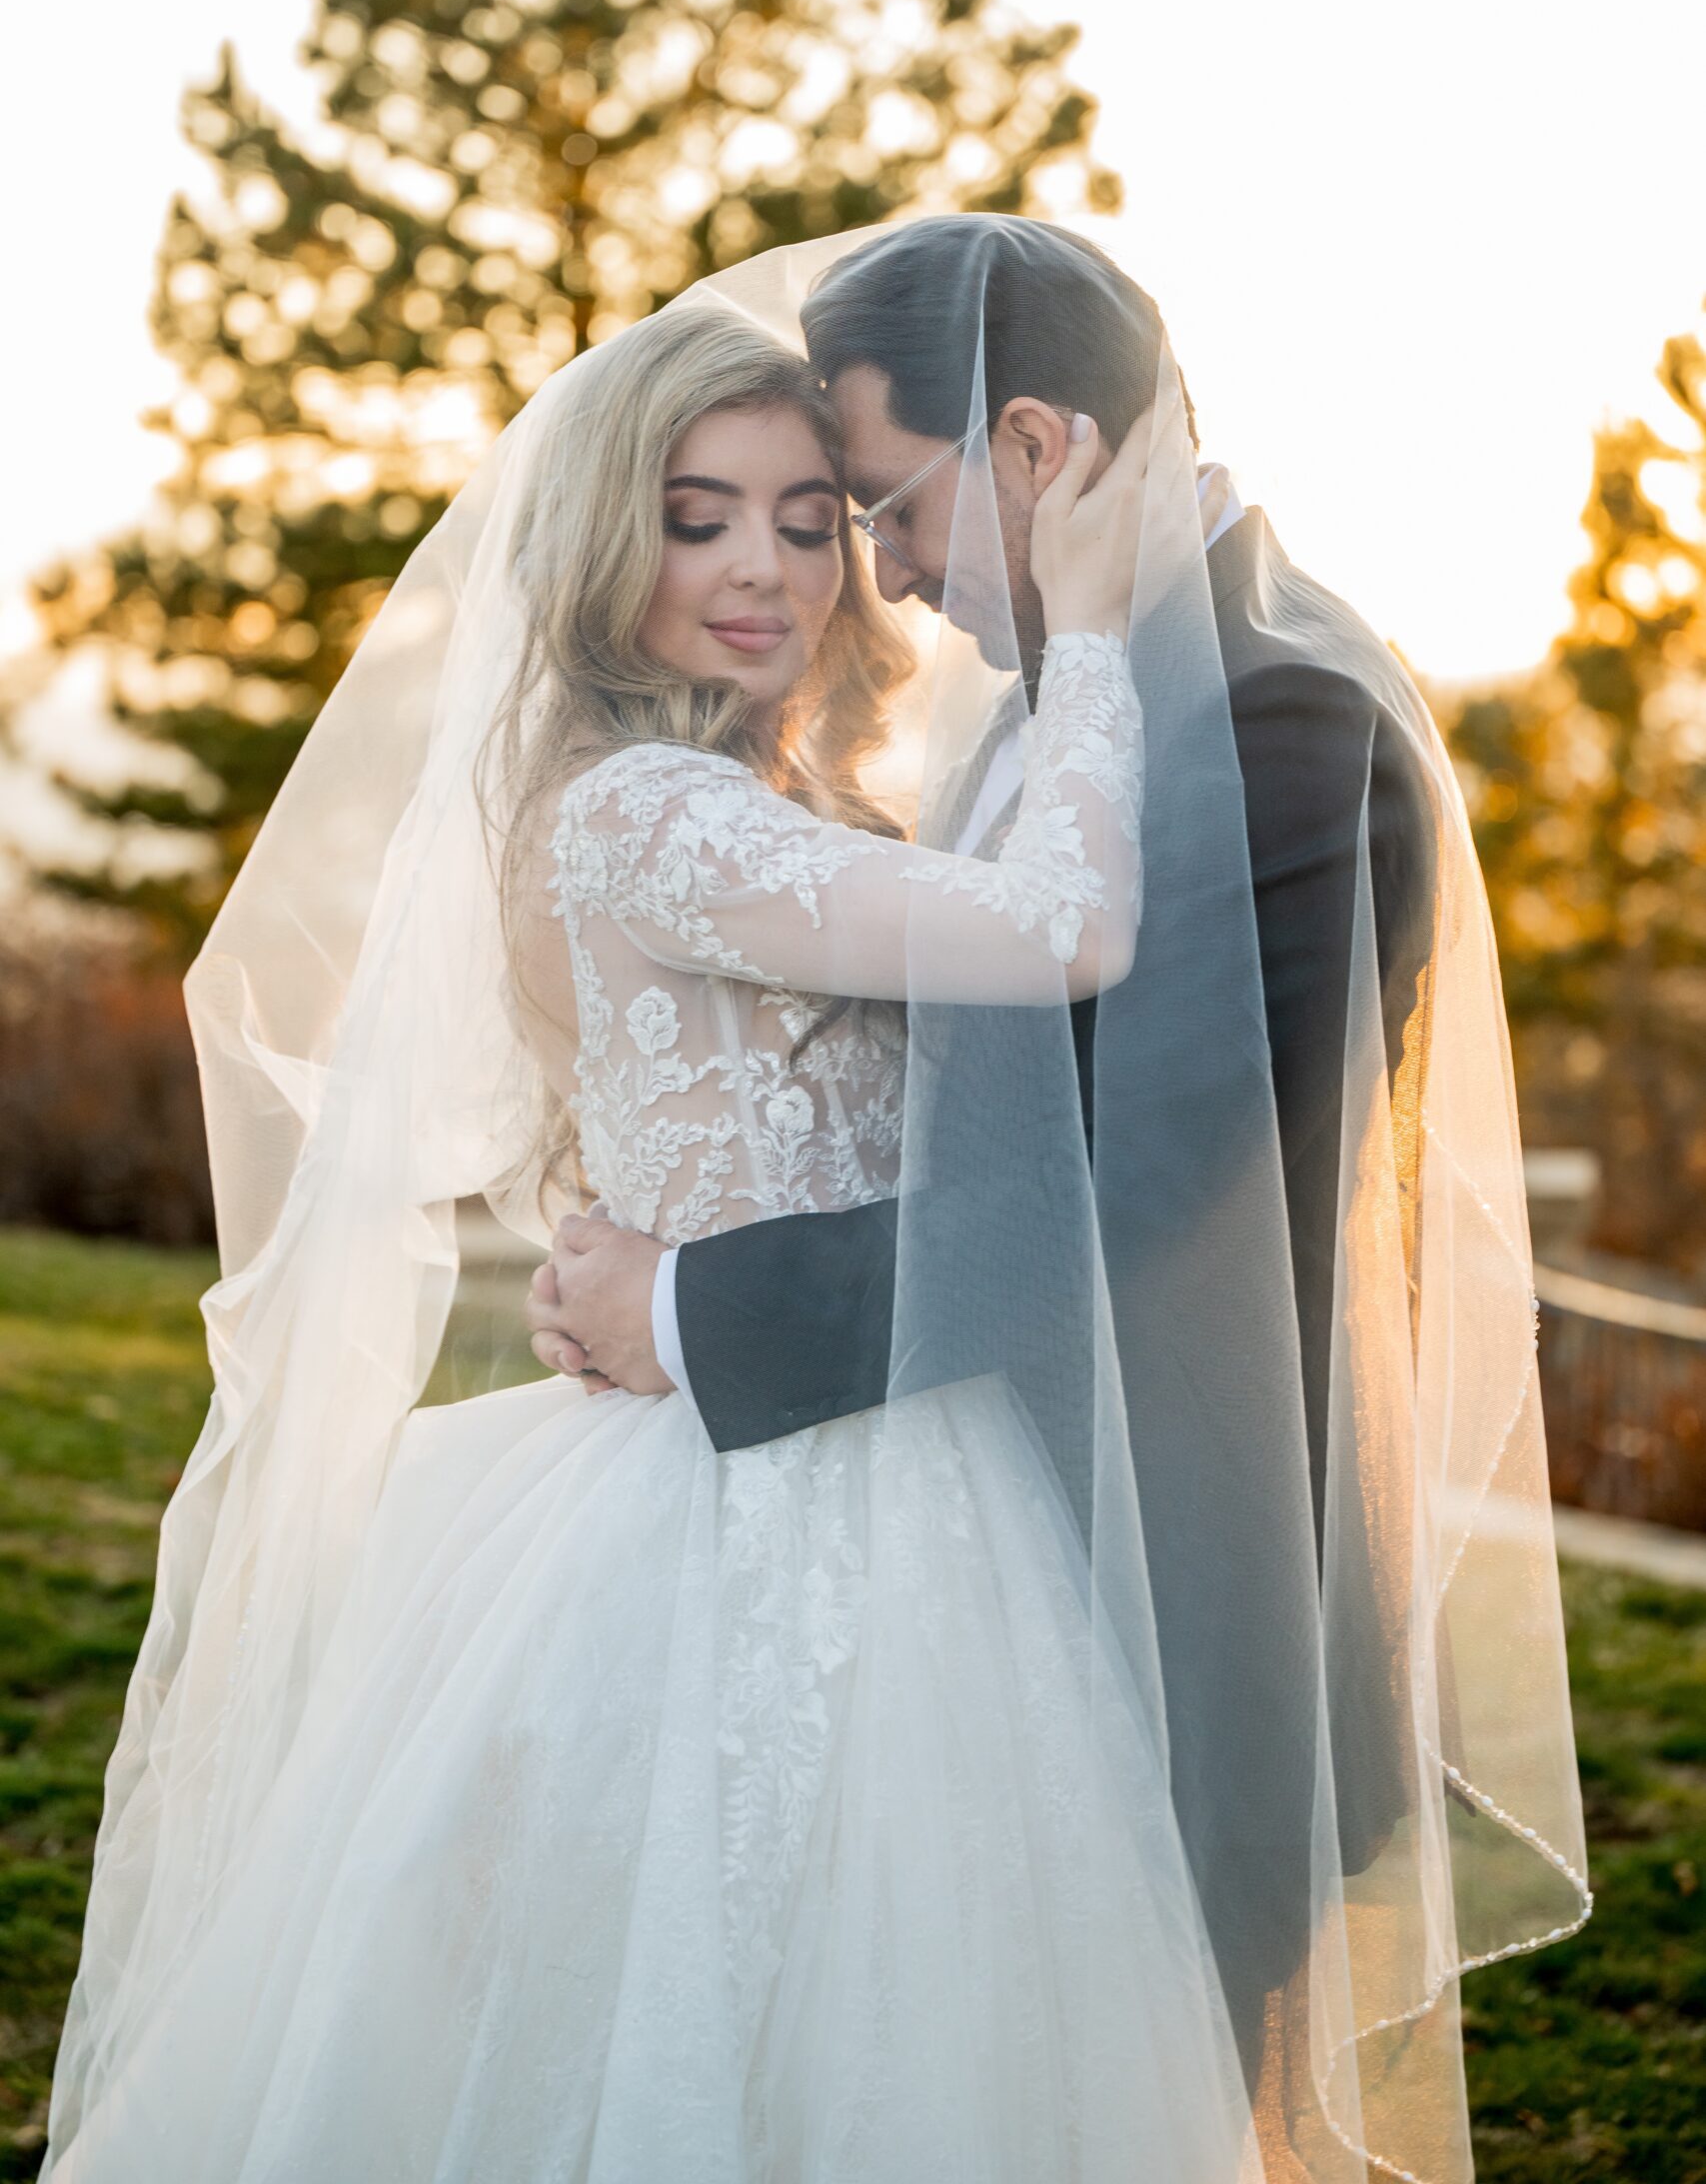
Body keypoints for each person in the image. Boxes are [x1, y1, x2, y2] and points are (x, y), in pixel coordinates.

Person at [43, 280, 1264, 2184]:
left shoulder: (764, 797)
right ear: (610, 534)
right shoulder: (649, 817)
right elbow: (1064, 937)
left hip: (846, 1436)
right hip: (767, 1499)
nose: (764, 568)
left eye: (808, 515)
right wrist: (1094, 636)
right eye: (698, 516)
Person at [524, 218, 1591, 2178]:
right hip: (968, 1553)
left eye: (877, 501)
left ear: (1023, 445)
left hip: (1170, 1594)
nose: (881, 567)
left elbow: (1120, 1195)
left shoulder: (1284, 723)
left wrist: (688, 1308)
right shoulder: (1074, 692)